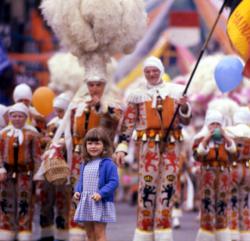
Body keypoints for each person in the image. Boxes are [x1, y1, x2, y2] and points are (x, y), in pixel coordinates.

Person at [114, 56, 191, 241]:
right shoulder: (137, 95)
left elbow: (185, 120)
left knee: (168, 188)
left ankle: (164, 233)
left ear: (161, 71)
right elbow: (128, 123)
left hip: (171, 145)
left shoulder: (175, 92)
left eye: (154, 70)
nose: (151, 74)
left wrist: (183, 107)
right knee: (147, 188)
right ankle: (144, 233)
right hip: (147, 146)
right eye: (148, 71)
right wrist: (122, 147)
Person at [193, 110, 236, 241]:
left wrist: (226, 137)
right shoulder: (200, 138)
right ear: (207, 125)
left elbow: (234, 154)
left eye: (218, 124)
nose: (215, 126)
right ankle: (206, 236)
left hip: (223, 174)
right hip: (207, 174)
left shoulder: (227, 138)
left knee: (222, 204)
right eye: (213, 124)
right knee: (207, 204)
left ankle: (222, 236)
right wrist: (207, 139)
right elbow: (197, 156)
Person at [0, 103, 41, 241]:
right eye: (14, 116)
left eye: (20, 116)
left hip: (25, 174)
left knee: (24, 202)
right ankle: (7, 230)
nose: (17, 119)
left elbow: (37, 156)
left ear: (25, 117)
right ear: (10, 117)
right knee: (6, 201)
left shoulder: (32, 134)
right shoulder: (4, 134)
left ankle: (24, 232)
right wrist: (1, 168)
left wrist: (37, 174)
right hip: (7, 173)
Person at [73, 127, 119, 241]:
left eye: (97, 143)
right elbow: (81, 181)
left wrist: (101, 193)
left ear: (104, 145)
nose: (93, 146)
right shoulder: (85, 163)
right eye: (90, 143)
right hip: (86, 202)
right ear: (85, 146)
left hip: (100, 202)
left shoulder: (108, 164)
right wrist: (77, 191)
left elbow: (114, 182)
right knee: (89, 235)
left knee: (99, 234)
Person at [39, 92, 72, 241]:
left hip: (65, 168)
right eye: (56, 110)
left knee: (63, 201)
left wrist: (64, 143)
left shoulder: (72, 125)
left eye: (61, 110)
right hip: (49, 167)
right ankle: (46, 232)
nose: (58, 113)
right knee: (46, 199)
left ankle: (62, 233)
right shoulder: (52, 124)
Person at [227, 108, 250, 241]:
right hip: (248, 168)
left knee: (232, 201)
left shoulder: (229, 131)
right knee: (246, 202)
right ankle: (246, 234)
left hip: (233, 168)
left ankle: (233, 232)